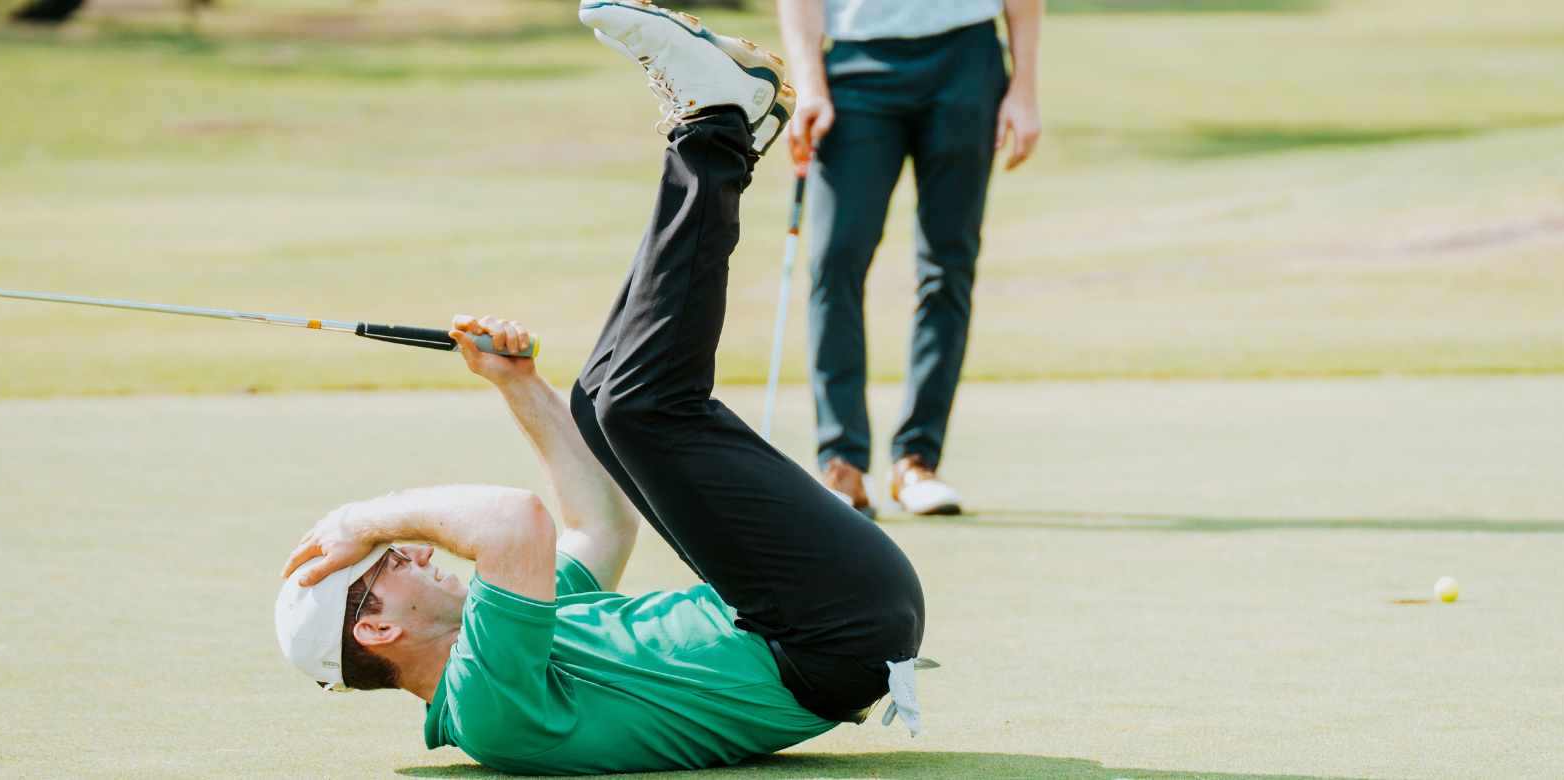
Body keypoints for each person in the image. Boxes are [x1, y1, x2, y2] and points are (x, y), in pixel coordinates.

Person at [272, 2, 929, 773]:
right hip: (826, 634)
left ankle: (721, 123)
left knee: (600, 400)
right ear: (377, 631)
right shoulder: (486, 705)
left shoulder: (502, 638)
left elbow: (604, 526)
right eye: (387, 564)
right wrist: (363, 517)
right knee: (642, 409)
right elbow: (515, 523)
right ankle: (715, 125)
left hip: (810, 619)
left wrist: (520, 387)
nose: (412, 552)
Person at [775, 0, 1043, 518]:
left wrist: (1024, 88)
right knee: (835, 259)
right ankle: (842, 462)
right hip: (855, 65)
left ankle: (917, 460)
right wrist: (810, 84)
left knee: (948, 264)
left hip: (967, 58)